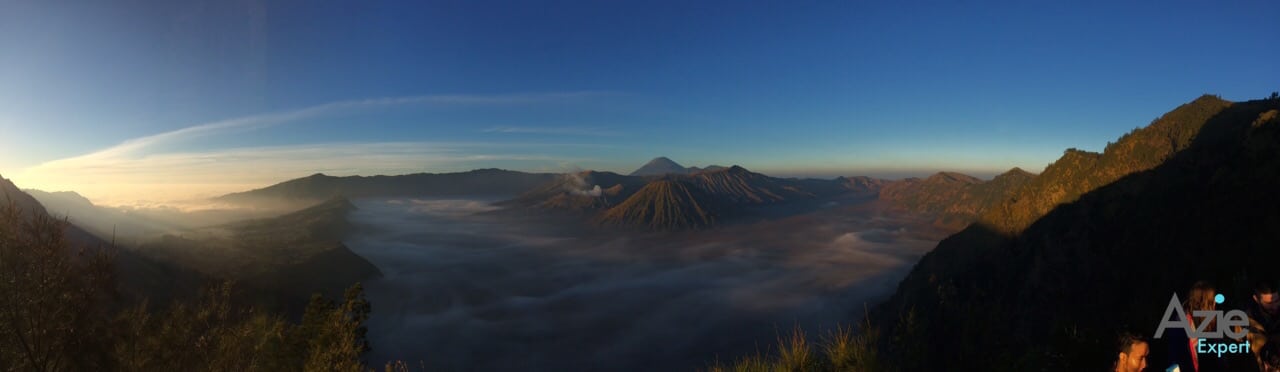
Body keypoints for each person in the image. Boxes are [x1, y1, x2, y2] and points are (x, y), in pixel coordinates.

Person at [1248, 281, 1280, 369]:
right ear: (1256, 299)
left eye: (1277, 301)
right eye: (1268, 303)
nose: (1274, 306)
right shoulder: (1246, 323)